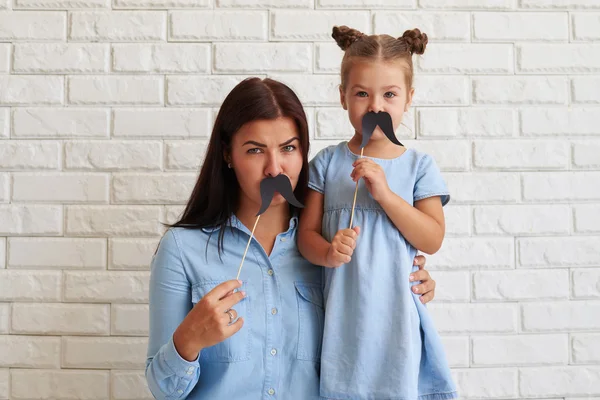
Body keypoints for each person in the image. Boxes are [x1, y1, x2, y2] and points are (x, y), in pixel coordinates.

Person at [145, 77, 438, 399]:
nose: (275, 169)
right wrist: (188, 339)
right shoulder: (181, 249)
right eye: (255, 150)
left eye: (288, 148)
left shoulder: (331, 249)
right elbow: (164, 391)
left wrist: (403, 281)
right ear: (228, 154)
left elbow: (374, 344)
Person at [297, 26, 458, 400]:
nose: (376, 107)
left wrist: (385, 193)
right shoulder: (326, 164)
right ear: (342, 97)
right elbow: (305, 236)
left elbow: (432, 239)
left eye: (389, 94)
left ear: (409, 98)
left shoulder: (419, 166)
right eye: (361, 94)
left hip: (396, 323)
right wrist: (327, 251)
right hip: (341, 322)